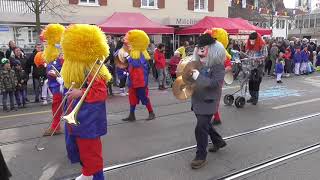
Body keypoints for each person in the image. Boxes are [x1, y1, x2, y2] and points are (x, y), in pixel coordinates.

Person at [61, 24, 112, 180]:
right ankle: (87, 174)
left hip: (88, 120)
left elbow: (101, 92)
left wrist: (80, 92)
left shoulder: (91, 69)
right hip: (78, 119)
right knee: (82, 153)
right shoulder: (77, 67)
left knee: (92, 156)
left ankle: (95, 177)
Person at [190, 33, 227, 169]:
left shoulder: (218, 66)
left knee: (200, 127)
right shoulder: (198, 63)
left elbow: (215, 83)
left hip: (209, 101)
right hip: (197, 99)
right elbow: (191, 77)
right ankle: (218, 141)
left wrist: (197, 76)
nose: (200, 52)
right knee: (205, 125)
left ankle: (201, 156)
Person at [122, 30, 155, 122]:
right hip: (133, 81)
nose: (127, 43)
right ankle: (131, 115)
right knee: (132, 98)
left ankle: (151, 112)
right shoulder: (133, 53)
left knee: (143, 97)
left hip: (140, 82)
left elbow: (136, 64)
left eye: (130, 42)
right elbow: (132, 66)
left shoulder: (140, 53)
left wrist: (127, 57)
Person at [41, 24, 65, 136]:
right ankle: (56, 126)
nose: (45, 44)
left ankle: (56, 127)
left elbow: (65, 72)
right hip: (54, 86)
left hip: (59, 87)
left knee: (57, 107)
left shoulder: (61, 57)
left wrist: (56, 74)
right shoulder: (53, 56)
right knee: (57, 107)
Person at [245, 32, 265, 105]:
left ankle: (255, 98)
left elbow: (264, 56)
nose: (251, 42)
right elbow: (247, 54)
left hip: (258, 68)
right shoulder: (250, 46)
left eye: (253, 40)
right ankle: (252, 96)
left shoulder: (262, 46)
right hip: (250, 68)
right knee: (250, 83)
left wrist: (257, 59)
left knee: (256, 83)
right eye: (250, 40)